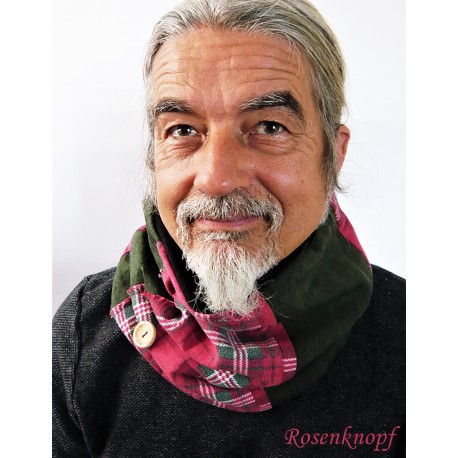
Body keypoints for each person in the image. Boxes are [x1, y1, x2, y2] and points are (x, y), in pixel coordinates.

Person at [52, 0, 405, 456]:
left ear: (333, 155)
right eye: (182, 130)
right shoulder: (84, 336)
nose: (217, 178)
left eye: (270, 127)